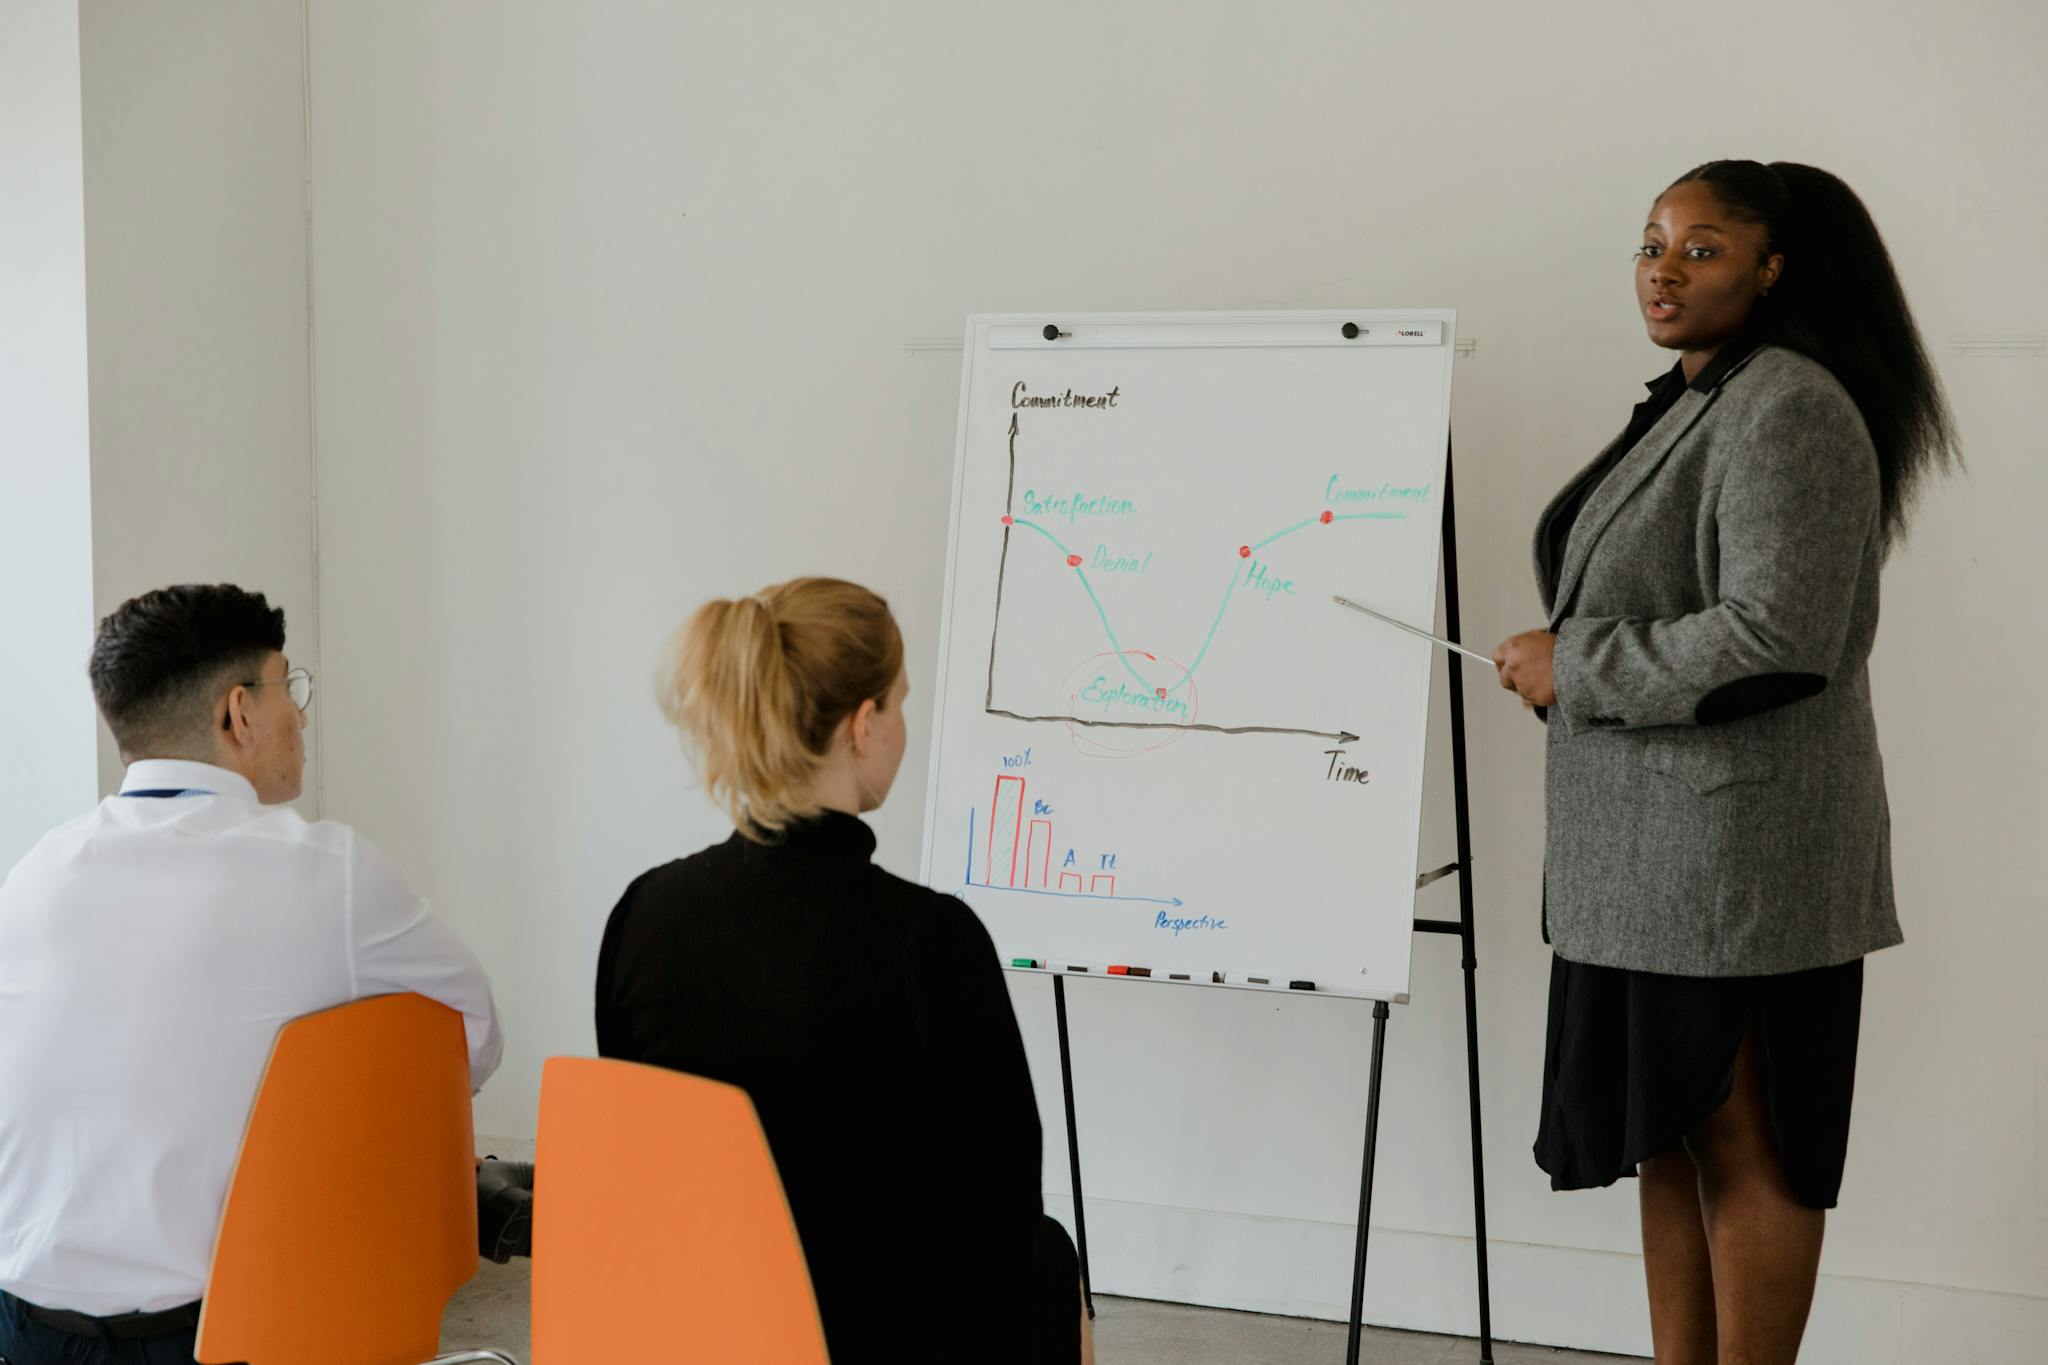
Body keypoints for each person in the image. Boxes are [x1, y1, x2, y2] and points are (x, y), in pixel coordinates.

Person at [1491, 161, 1957, 1363]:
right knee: (1673, 1132)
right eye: (1649, 242)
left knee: (1749, 1142)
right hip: (1650, 862)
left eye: (1700, 248)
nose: (1661, 268)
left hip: (1737, 862)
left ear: (1771, 269)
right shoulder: (1700, 397)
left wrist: (1575, 665)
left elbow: (1776, 636)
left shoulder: (1786, 406)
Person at [0, 584, 503, 1365]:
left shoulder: (34, 874)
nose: (300, 714)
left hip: (25, 1327)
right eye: (288, 685)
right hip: (231, 1333)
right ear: (239, 712)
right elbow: (471, 1035)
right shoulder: (327, 871)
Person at [596, 577, 1092, 1365]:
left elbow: (647, 1166)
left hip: (693, 1329)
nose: (902, 726)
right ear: (864, 725)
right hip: (873, 1330)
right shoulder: (931, 938)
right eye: (898, 701)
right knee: (1049, 1257)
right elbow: (1002, 1209)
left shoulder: (643, 915)